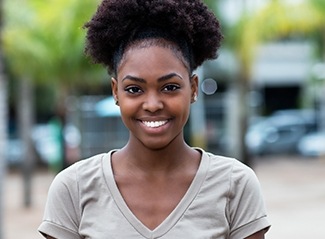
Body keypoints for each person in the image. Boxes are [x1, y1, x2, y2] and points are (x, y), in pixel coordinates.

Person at [38, 0, 271, 238]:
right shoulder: (73, 188)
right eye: (134, 89)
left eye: (169, 87)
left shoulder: (234, 184)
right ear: (115, 91)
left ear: (192, 88)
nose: (152, 104)